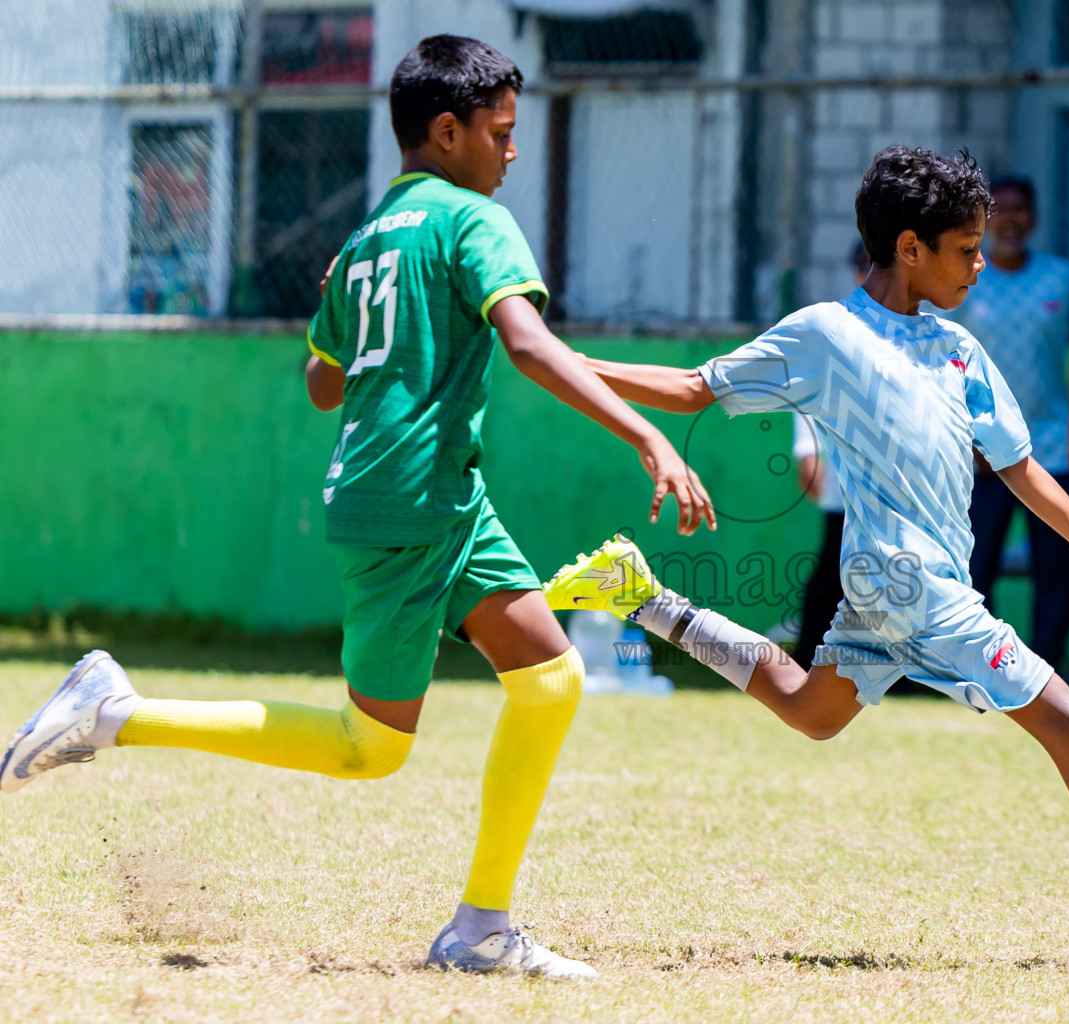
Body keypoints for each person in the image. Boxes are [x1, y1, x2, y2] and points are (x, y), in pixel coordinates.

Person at [0, 35, 712, 980]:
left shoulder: (366, 236)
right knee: (368, 748)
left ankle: (483, 928)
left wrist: (364, 326)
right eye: (500, 133)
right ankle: (117, 710)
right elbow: (530, 347)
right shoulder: (471, 221)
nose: (511, 152)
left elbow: (320, 384)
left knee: (549, 677)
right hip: (412, 500)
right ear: (447, 130)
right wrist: (649, 435)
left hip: (434, 494)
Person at [546, 145, 1069, 961]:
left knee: (809, 710)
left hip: (895, 583)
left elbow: (1018, 466)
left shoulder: (959, 348)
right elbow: (693, 388)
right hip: (911, 583)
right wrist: (569, 362)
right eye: (966, 249)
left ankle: (639, 595)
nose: (978, 265)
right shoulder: (826, 333)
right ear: (909, 248)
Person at [954, 176, 1069, 669]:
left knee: (1058, 573)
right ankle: (980, 671)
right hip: (977, 455)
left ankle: (1044, 673)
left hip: (1047, 450)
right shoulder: (965, 278)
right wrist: (966, 442)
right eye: (999, 210)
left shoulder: (1062, 279)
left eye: (1019, 209)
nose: (1010, 219)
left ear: (1033, 217)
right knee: (972, 571)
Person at [788, 242, 868, 668]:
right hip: (845, 487)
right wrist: (806, 450)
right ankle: (808, 659)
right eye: (866, 267)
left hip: (900, 492)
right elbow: (808, 391)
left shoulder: (927, 327)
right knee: (831, 578)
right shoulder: (834, 328)